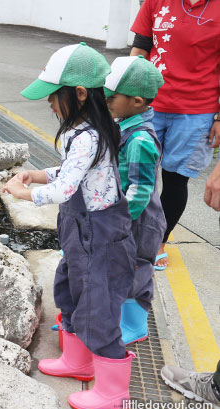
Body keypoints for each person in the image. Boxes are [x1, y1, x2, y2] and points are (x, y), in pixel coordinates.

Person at [3, 42, 137, 409]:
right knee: (70, 292)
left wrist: (24, 192)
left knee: (98, 309)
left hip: (101, 238)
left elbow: (65, 189)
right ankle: (79, 361)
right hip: (82, 235)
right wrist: (36, 173)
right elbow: (68, 173)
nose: (48, 103)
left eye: (52, 96)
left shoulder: (90, 136)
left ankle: (114, 392)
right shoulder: (85, 131)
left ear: (79, 94)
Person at [130, 0, 220, 270]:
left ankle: (158, 242)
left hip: (197, 111)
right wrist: (124, 92)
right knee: (137, 174)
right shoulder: (156, 2)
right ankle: (131, 235)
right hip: (148, 103)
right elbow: (140, 50)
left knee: (175, 179)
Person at [104, 55, 165, 345]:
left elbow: (140, 191)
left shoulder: (140, 140)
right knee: (120, 268)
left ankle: (135, 325)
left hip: (139, 222)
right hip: (126, 217)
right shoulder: (123, 125)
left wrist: (118, 222)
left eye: (112, 96)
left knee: (136, 270)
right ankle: (117, 317)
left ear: (137, 101)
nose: (106, 101)